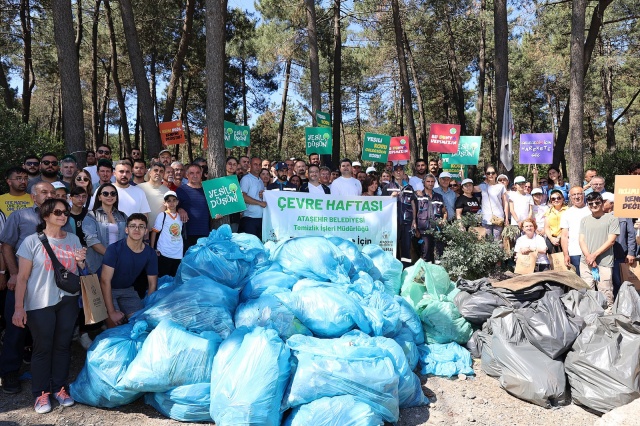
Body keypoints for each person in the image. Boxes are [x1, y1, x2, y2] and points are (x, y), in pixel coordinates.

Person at [12, 198, 87, 413]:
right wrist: (19, 308)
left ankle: (60, 388)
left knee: (62, 346)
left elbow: (76, 269)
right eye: (57, 212)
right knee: (43, 348)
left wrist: (81, 260)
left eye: (65, 213)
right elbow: (22, 278)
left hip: (68, 300)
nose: (63, 216)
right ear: (46, 216)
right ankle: (41, 393)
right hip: (39, 302)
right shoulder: (31, 241)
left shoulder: (73, 239)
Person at [0, 182, 71, 395]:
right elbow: (6, 245)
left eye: (52, 192)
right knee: (16, 328)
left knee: (47, 333)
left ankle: (47, 375)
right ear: (33, 197)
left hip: (50, 287)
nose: (49, 195)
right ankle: (9, 372)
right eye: (44, 192)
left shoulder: (61, 219)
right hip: (22, 281)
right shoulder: (20, 216)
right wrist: (12, 273)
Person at [100, 214, 158, 327]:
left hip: (127, 289)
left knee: (140, 322)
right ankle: (105, 322)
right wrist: (111, 312)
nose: (137, 229)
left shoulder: (150, 253)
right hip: (107, 288)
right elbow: (104, 281)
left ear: (146, 231)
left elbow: (152, 283)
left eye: (141, 226)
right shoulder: (114, 249)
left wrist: (149, 309)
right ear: (126, 229)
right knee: (115, 324)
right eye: (133, 226)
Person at [579, 192, 619, 308]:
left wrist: (594, 255)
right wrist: (588, 256)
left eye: (597, 202)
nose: (594, 205)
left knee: (605, 293)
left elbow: (611, 241)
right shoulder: (584, 220)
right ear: (588, 205)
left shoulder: (612, 219)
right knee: (587, 292)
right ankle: (590, 318)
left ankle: (608, 319)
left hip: (604, 262)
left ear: (602, 203)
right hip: (586, 262)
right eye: (591, 203)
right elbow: (581, 240)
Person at [83, 183, 128, 274]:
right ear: (99, 197)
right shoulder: (91, 215)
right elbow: (91, 240)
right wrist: (111, 256)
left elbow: (128, 237)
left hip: (120, 262)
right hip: (99, 263)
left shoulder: (122, 216)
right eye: (105, 194)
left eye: (113, 193)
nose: (109, 196)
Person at [176, 163, 210, 250]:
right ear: (187, 175)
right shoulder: (180, 190)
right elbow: (172, 208)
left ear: (201, 174)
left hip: (205, 233)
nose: (195, 175)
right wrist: (179, 209)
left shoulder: (207, 190)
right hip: (187, 234)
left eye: (198, 173)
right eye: (191, 173)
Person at [608, 195, 636, 296]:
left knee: (621, 282)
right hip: (603, 257)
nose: (601, 203)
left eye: (603, 201)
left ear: (611, 203)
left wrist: (631, 252)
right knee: (608, 284)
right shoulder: (598, 216)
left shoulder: (624, 216)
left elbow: (631, 234)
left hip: (620, 255)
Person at [150, 191, 183, 278]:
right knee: (163, 278)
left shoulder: (180, 216)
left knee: (174, 278)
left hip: (178, 252)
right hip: (164, 251)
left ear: (177, 202)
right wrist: (153, 248)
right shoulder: (162, 215)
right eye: (168, 201)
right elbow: (154, 232)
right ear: (165, 203)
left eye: (174, 200)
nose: (171, 203)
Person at [415, 174, 445, 262]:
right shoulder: (418, 196)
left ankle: (436, 274)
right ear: (424, 182)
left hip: (437, 230)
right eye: (428, 181)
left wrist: (443, 220)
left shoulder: (439, 197)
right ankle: (426, 274)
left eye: (432, 182)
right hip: (424, 231)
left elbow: (444, 212)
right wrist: (416, 228)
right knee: (426, 254)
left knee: (439, 254)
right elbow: (415, 212)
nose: (430, 184)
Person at [560, 186, 590, 275]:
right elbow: (564, 236)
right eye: (574, 195)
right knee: (580, 281)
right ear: (570, 197)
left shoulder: (591, 210)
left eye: (579, 194)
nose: (577, 197)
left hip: (592, 251)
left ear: (583, 195)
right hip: (575, 251)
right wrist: (566, 254)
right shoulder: (566, 214)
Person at [474, 165, 508, 241]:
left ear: (496, 174)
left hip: (498, 217)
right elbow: (468, 188)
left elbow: (505, 203)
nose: (491, 175)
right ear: (485, 175)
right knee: (487, 241)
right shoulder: (482, 186)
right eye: (488, 173)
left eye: (493, 173)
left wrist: (506, 218)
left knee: (497, 241)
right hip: (486, 218)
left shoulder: (501, 187)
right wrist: (462, 176)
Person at [137, 162, 170, 233]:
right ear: (150, 173)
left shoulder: (167, 191)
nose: (158, 173)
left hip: (159, 231)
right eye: (155, 170)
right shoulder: (139, 188)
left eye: (161, 171)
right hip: (141, 230)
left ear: (163, 174)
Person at [239, 157, 266, 239]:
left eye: (259, 165)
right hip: (249, 219)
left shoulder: (260, 181)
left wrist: (263, 196)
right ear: (250, 165)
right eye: (255, 164)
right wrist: (259, 202)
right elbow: (243, 197)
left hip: (260, 219)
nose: (258, 167)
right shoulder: (246, 179)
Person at [543, 189, 567, 254]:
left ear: (563, 199)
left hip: (565, 238)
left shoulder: (568, 210)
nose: (556, 200)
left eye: (558, 198)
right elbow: (546, 227)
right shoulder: (548, 211)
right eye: (553, 199)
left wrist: (560, 237)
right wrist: (551, 238)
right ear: (551, 201)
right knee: (554, 261)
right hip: (551, 239)